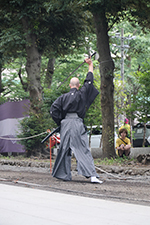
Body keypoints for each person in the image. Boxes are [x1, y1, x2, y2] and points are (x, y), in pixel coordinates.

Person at [50, 57, 103, 184]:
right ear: (78, 86)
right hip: (77, 122)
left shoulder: (63, 97)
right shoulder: (81, 93)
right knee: (82, 147)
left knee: (64, 148)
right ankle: (91, 175)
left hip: (66, 123)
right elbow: (89, 81)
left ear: (70, 85)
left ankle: (63, 175)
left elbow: (53, 110)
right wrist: (90, 65)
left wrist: (61, 122)